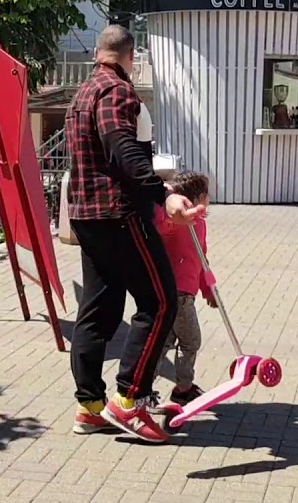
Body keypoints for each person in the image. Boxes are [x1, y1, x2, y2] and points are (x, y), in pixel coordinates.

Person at [66, 24, 204, 444]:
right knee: (160, 301)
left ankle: (90, 407)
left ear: (98, 52)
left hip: (87, 215)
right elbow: (123, 148)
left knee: (99, 310)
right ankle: (129, 399)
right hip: (119, 214)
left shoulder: (83, 93)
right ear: (130, 56)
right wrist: (163, 195)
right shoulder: (117, 92)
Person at [152, 171, 216, 406]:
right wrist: (167, 205)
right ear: (197, 198)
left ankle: (143, 387)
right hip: (177, 293)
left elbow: (201, 258)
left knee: (165, 341)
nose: (209, 198)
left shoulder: (200, 225)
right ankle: (183, 388)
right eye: (207, 194)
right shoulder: (175, 224)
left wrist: (208, 288)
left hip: (185, 292)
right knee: (191, 341)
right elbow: (160, 225)